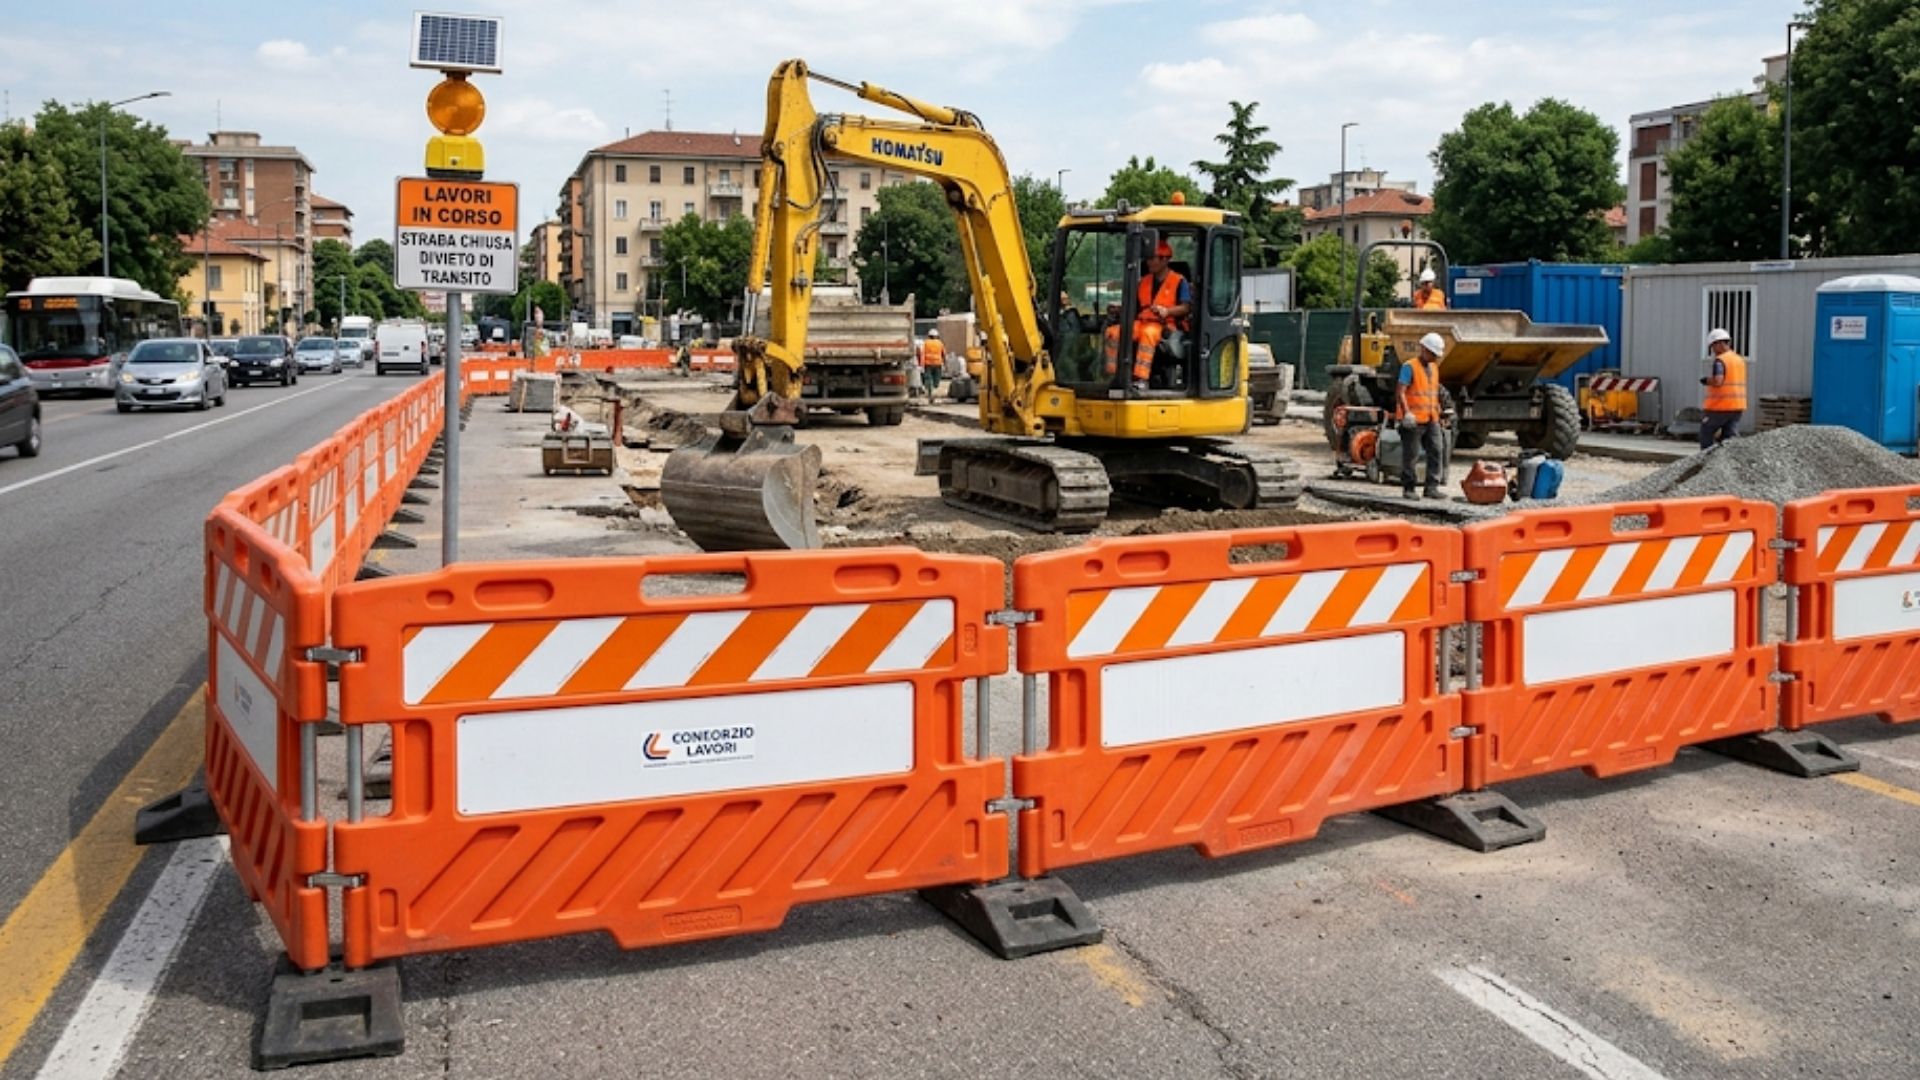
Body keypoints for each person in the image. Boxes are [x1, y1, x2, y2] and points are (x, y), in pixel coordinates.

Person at [1103, 241, 1191, 389]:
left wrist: (1167, 311)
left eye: (1152, 258)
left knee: (1148, 334)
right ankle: (1113, 374)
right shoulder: (1144, 281)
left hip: (1165, 325)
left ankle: (1141, 379)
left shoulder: (1179, 281)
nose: (1148, 262)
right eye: (1148, 258)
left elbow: (1186, 307)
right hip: (1142, 321)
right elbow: (1136, 306)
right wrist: (1119, 309)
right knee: (1113, 332)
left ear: (1164, 259)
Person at [1398, 332, 1448, 498]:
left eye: (1436, 355)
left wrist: (1441, 413)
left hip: (1431, 417)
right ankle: (1409, 488)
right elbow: (1400, 391)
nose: (1434, 358)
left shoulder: (1434, 368)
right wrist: (1406, 413)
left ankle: (1431, 487)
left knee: (1436, 450)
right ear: (1424, 349)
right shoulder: (1409, 367)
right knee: (1411, 454)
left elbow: (1432, 393)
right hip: (1413, 419)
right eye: (1432, 354)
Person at [1698, 327, 1746, 449]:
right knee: (1729, 437)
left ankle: (1706, 460)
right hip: (1737, 406)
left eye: (1713, 346)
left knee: (1706, 432)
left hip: (1720, 406)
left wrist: (1706, 380)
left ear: (1719, 343)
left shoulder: (1720, 361)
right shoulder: (1739, 360)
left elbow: (1718, 381)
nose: (1713, 350)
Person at [920, 329, 945, 397]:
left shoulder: (926, 343)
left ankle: (930, 390)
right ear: (936, 336)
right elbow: (943, 353)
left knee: (929, 377)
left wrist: (921, 365)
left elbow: (922, 354)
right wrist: (944, 362)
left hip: (928, 364)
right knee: (937, 377)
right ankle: (934, 388)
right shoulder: (940, 343)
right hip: (938, 363)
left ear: (929, 336)